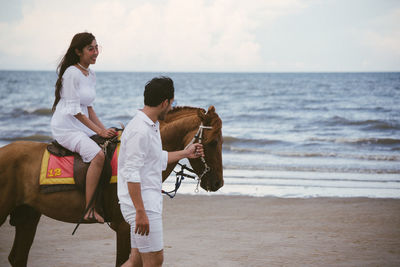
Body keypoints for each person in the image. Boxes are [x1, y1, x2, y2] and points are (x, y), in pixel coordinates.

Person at [117, 77, 204, 267]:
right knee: (155, 261)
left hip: (145, 202)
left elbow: (156, 158)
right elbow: (131, 173)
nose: (172, 108)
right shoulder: (140, 130)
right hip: (142, 205)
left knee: (136, 260)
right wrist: (140, 212)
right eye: (172, 104)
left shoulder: (151, 124)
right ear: (164, 102)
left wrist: (186, 153)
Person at [51, 32, 116, 223]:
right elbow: (75, 111)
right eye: (91, 49)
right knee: (98, 156)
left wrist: (105, 132)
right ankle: (89, 209)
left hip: (81, 125)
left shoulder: (91, 73)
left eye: (97, 47)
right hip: (67, 127)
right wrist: (99, 132)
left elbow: (88, 108)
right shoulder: (72, 73)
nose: (95, 52)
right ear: (78, 51)